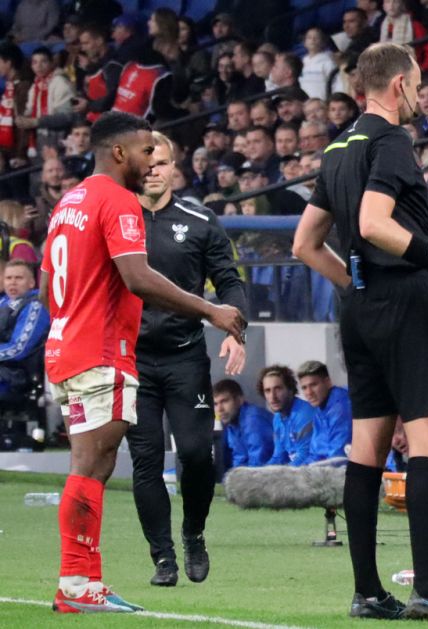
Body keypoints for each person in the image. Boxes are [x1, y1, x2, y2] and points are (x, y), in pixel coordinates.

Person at [292, 43, 428, 621]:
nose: (422, 96)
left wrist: (353, 287)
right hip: (405, 302)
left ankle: (367, 592)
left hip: (359, 310)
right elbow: (373, 224)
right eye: (419, 84)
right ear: (400, 85)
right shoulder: (391, 142)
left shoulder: (338, 148)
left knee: (368, 447)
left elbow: (305, 244)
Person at [41, 111, 244, 614]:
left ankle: (83, 582)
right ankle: (77, 584)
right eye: (145, 150)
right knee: (92, 464)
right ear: (118, 153)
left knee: (96, 463)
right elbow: (138, 278)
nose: (152, 161)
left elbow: (47, 286)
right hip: (102, 350)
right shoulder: (117, 201)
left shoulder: (69, 201)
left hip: (68, 345)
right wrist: (211, 310)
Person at [126, 131, 247, 588]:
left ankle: (193, 532)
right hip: (131, 359)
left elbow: (229, 282)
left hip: (184, 357)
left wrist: (237, 330)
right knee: (146, 459)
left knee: (197, 455)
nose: (154, 170)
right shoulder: (117, 219)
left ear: (175, 166)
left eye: (162, 162)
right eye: (147, 162)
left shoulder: (200, 219)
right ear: (135, 167)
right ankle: (163, 558)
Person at [0, 260, 49, 402]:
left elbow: (19, 348)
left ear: (32, 283)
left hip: (18, 375)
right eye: (9, 278)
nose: (13, 282)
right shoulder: (3, 302)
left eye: (19, 278)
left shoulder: (35, 304)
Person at [297, 360, 352, 464]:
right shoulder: (320, 408)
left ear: (328, 382)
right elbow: (315, 454)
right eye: (304, 388)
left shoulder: (340, 406)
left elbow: (338, 458)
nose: (309, 393)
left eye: (313, 385)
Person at [259, 365, 315, 466]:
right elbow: (278, 457)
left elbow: (304, 457)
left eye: (278, 389)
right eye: (267, 391)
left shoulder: (303, 414)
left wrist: (275, 477)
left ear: (290, 389)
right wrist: (259, 474)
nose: (273, 397)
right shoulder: (277, 418)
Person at [213, 378, 274, 469]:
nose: (219, 409)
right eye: (215, 404)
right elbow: (240, 460)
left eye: (224, 401)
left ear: (239, 400)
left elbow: (259, 465)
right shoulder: (232, 423)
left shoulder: (253, 420)